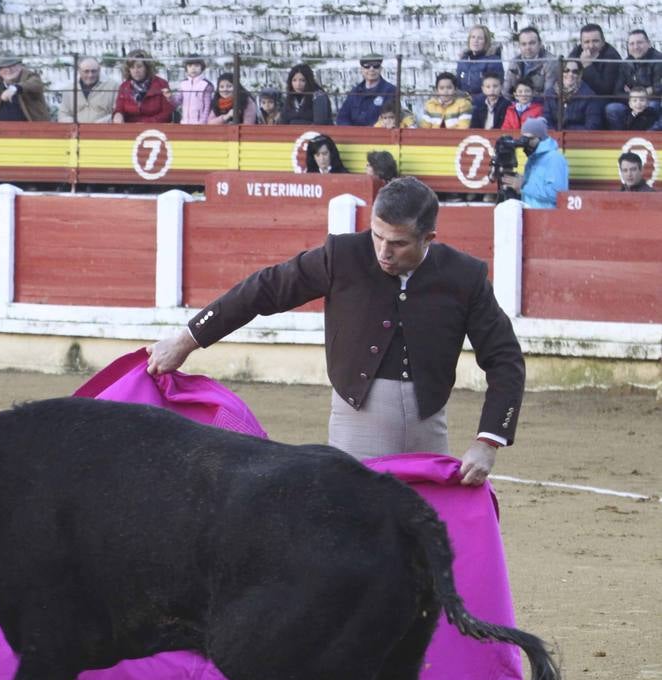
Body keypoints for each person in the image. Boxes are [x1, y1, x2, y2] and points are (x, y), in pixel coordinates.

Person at [146, 175, 524, 483]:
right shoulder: (342, 255)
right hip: (356, 419)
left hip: (429, 425)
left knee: (421, 541)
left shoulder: (464, 275)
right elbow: (262, 290)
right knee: (351, 532)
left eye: (398, 243)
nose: (383, 253)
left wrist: (488, 440)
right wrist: (185, 340)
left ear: (428, 239)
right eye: (377, 236)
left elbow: (504, 357)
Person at [502, 117, 567, 209]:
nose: (526, 143)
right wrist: (521, 181)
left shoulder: (555, 159)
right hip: (532, 215)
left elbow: (557, 194)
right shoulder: (532, 158)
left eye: (530, 139)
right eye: (524, 138)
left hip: (548, 217)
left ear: (540, 138)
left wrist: (523, 186)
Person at [608, 30, 662, 131]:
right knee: (612, 108)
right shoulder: (626, 64)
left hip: (653, 101)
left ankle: (649, 137)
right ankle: (621, 139)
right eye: (632, 44)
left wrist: (638, 95)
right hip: (632, 101)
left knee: (652, 106)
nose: (636, 47)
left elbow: (658, 88)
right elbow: (617, 92)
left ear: (649, 44)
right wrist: (636, 98)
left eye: (639, 43)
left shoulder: (659, 60)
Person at [566, 23, 622, 111]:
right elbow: (566, 74)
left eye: (595, 41)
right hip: (580, 96)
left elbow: (605, 90)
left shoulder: (611, 56)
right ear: (581, 43)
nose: (591, 46)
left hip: (603, 99)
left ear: (603, 42)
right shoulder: (576, 52)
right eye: (587, 42)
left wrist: (587, 66)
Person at [0, 56, 49, 122]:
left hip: (30, 130)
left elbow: (35, 84)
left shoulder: (30, 77)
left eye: (13, 66)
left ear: (20, 67)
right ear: (0, 71)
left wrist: (15, 89)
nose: (9, 70)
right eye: (4, 67)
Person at [336, 54, 397, 126]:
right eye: (367, 66)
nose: (371, 69)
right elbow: (342, 118)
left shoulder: (390, 90)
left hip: (379, 134)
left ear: (381, 69)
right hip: (354, 135)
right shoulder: (354, 92)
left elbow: (393, 118)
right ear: (361, 69)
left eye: (376, 66)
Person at [112, 50, 171, 124]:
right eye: (132, 67)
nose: (136, 71)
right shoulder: (124, 86)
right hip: (130, 129)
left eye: (139, 67)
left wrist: (145, 123)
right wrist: (118, 115)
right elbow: (119, 108)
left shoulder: (162, 84)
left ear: (147, 67)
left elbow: (167, 113)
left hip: (155, 128)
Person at [543, 60, 604, 130]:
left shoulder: (589, 96)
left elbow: (592, 125)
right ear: (560, 72)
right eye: (566, 70)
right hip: (554, 137)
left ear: (580, 74)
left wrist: (566, 131)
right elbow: (546, 119)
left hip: (579, 137)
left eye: (575, 72)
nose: (570, 74)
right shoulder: (550, 93)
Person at [58, 56, 118, 123]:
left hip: (104, 130)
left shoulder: (113, 86)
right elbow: (63, 114)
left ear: (99, 70)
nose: (90, 75)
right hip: (77, 131)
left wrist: (102, 122)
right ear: (79, 71)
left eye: (94, 71)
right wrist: (72, 122)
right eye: (86, 71)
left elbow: (117, 113)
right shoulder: (70, 89)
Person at [505, 26, 555, 96]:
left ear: (540, 44)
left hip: (541, 104)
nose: (528, 47)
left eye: (532, 43)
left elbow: (549, 94)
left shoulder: (551, 62)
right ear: (519, 46)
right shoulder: (514, 62)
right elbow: (505, 91)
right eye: (524, 44)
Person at [456, 24, 503, 97]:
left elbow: (493, 89)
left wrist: (472, 100)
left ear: (486, 42)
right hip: (463, 103)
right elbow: (458, 85)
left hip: (484, 104)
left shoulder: (493, 61)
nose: (475, 41)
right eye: (473, 37)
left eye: (480, 38)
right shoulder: (463, 60)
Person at [167, 56, 213, 125]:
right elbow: (177, 102)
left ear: (202, 67)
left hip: (200, 124)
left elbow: (207, 106)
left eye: (196, 65)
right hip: (185, 123)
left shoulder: (206, 85)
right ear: (186, 68)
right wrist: (170, 97)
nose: (193, 68)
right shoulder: (183, 84)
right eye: (190, 66)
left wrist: (203, 122)